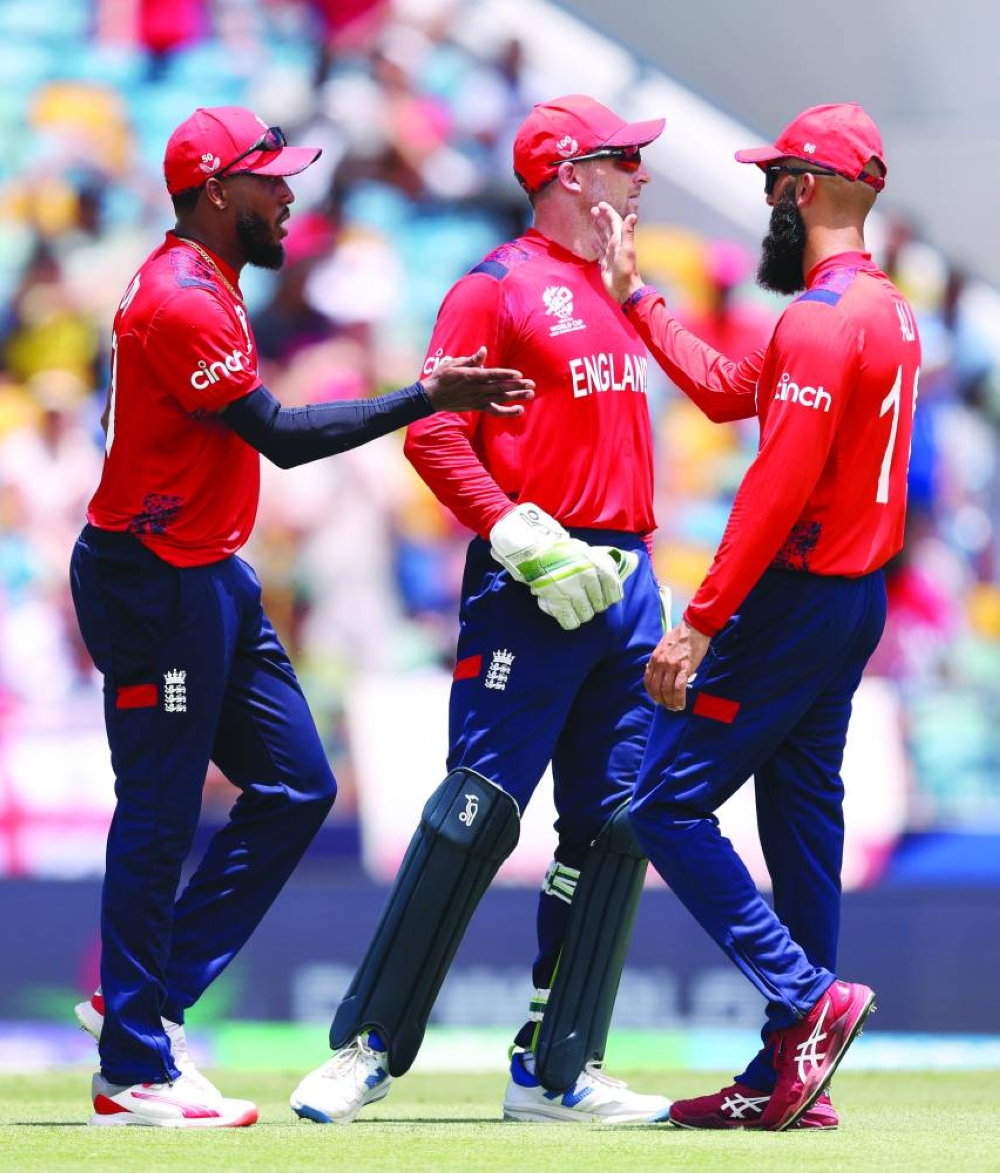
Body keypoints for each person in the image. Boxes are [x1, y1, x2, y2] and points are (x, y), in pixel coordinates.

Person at [69, 105, 533, 1129]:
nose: (288, 194)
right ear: (209, 192)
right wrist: (425, 395)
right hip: (153, 580)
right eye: (267, 178)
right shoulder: (179, 299)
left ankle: (141, 999)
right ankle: (132, 1065)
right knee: (156, 816)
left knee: (297, 784)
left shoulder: (212, 284)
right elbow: (276, 436)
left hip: (208, 572)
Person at [290, 94, 674, 1126]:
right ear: (567, 174)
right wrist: (519, 534)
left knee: (612, 826)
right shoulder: (491, 290)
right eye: (622, 159)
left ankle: (556, 1072)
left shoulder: (620, 292)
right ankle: (366, 1049)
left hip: (626, 585)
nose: (640, 174)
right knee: (475, 815)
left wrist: (639, 571)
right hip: (532, 587)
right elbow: (433, 434)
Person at [593, 102, 921, 1131]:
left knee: (661, 803)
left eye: (770, 182)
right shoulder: (882, 311)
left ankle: (804, 999)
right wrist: (637, 299)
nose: (763, 200)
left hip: (791, 599)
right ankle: (791, 1072)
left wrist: (696, 619)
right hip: (850, 601)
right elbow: (738, 393)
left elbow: (775, 482)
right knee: (800, 823)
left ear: (801, 192)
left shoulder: (819, 320)